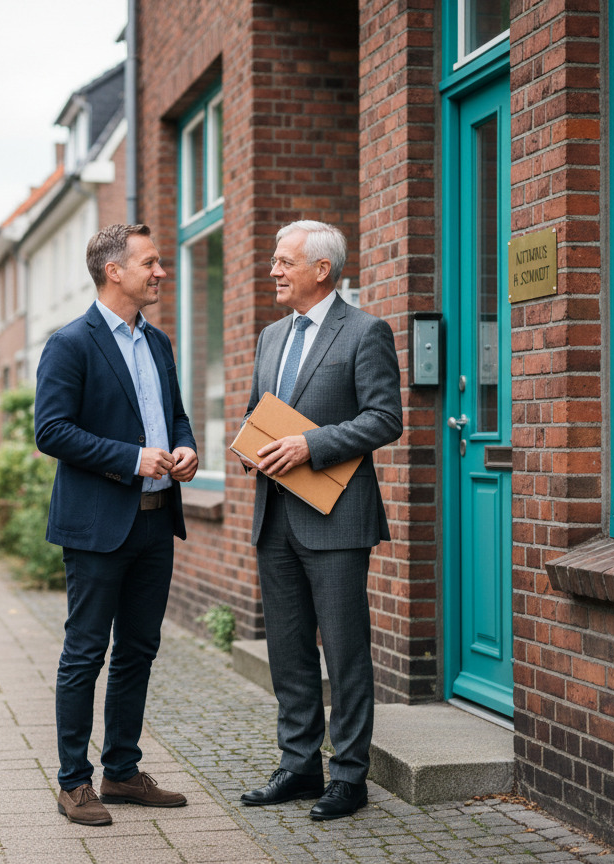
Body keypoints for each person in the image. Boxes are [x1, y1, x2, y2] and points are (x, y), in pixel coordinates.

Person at [35, 223, 199, 826]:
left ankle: (123, 772)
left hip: (156, 523)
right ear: (114, 271)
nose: (160, 272)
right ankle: (74, 783)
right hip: (97, 528)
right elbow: (51, 431)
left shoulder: (158, 342)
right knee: (85, 654)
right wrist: (132, 459)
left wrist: (185, 448)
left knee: (138, 651)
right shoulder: (70, 343)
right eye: (150, 263)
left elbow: (175, 416)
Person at [238, 220, 402, 820]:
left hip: (336, 519)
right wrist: (250, 444)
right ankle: (299, 766)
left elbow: (385, 418)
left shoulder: (365, 331)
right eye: (275, 261)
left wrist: (311, 445)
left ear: (321, 270)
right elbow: (259, 410)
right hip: (275, 517)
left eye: (284, 261)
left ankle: (350, 776)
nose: (274, 271)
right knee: (288, 652)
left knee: (345, 651)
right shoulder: (270, 336)